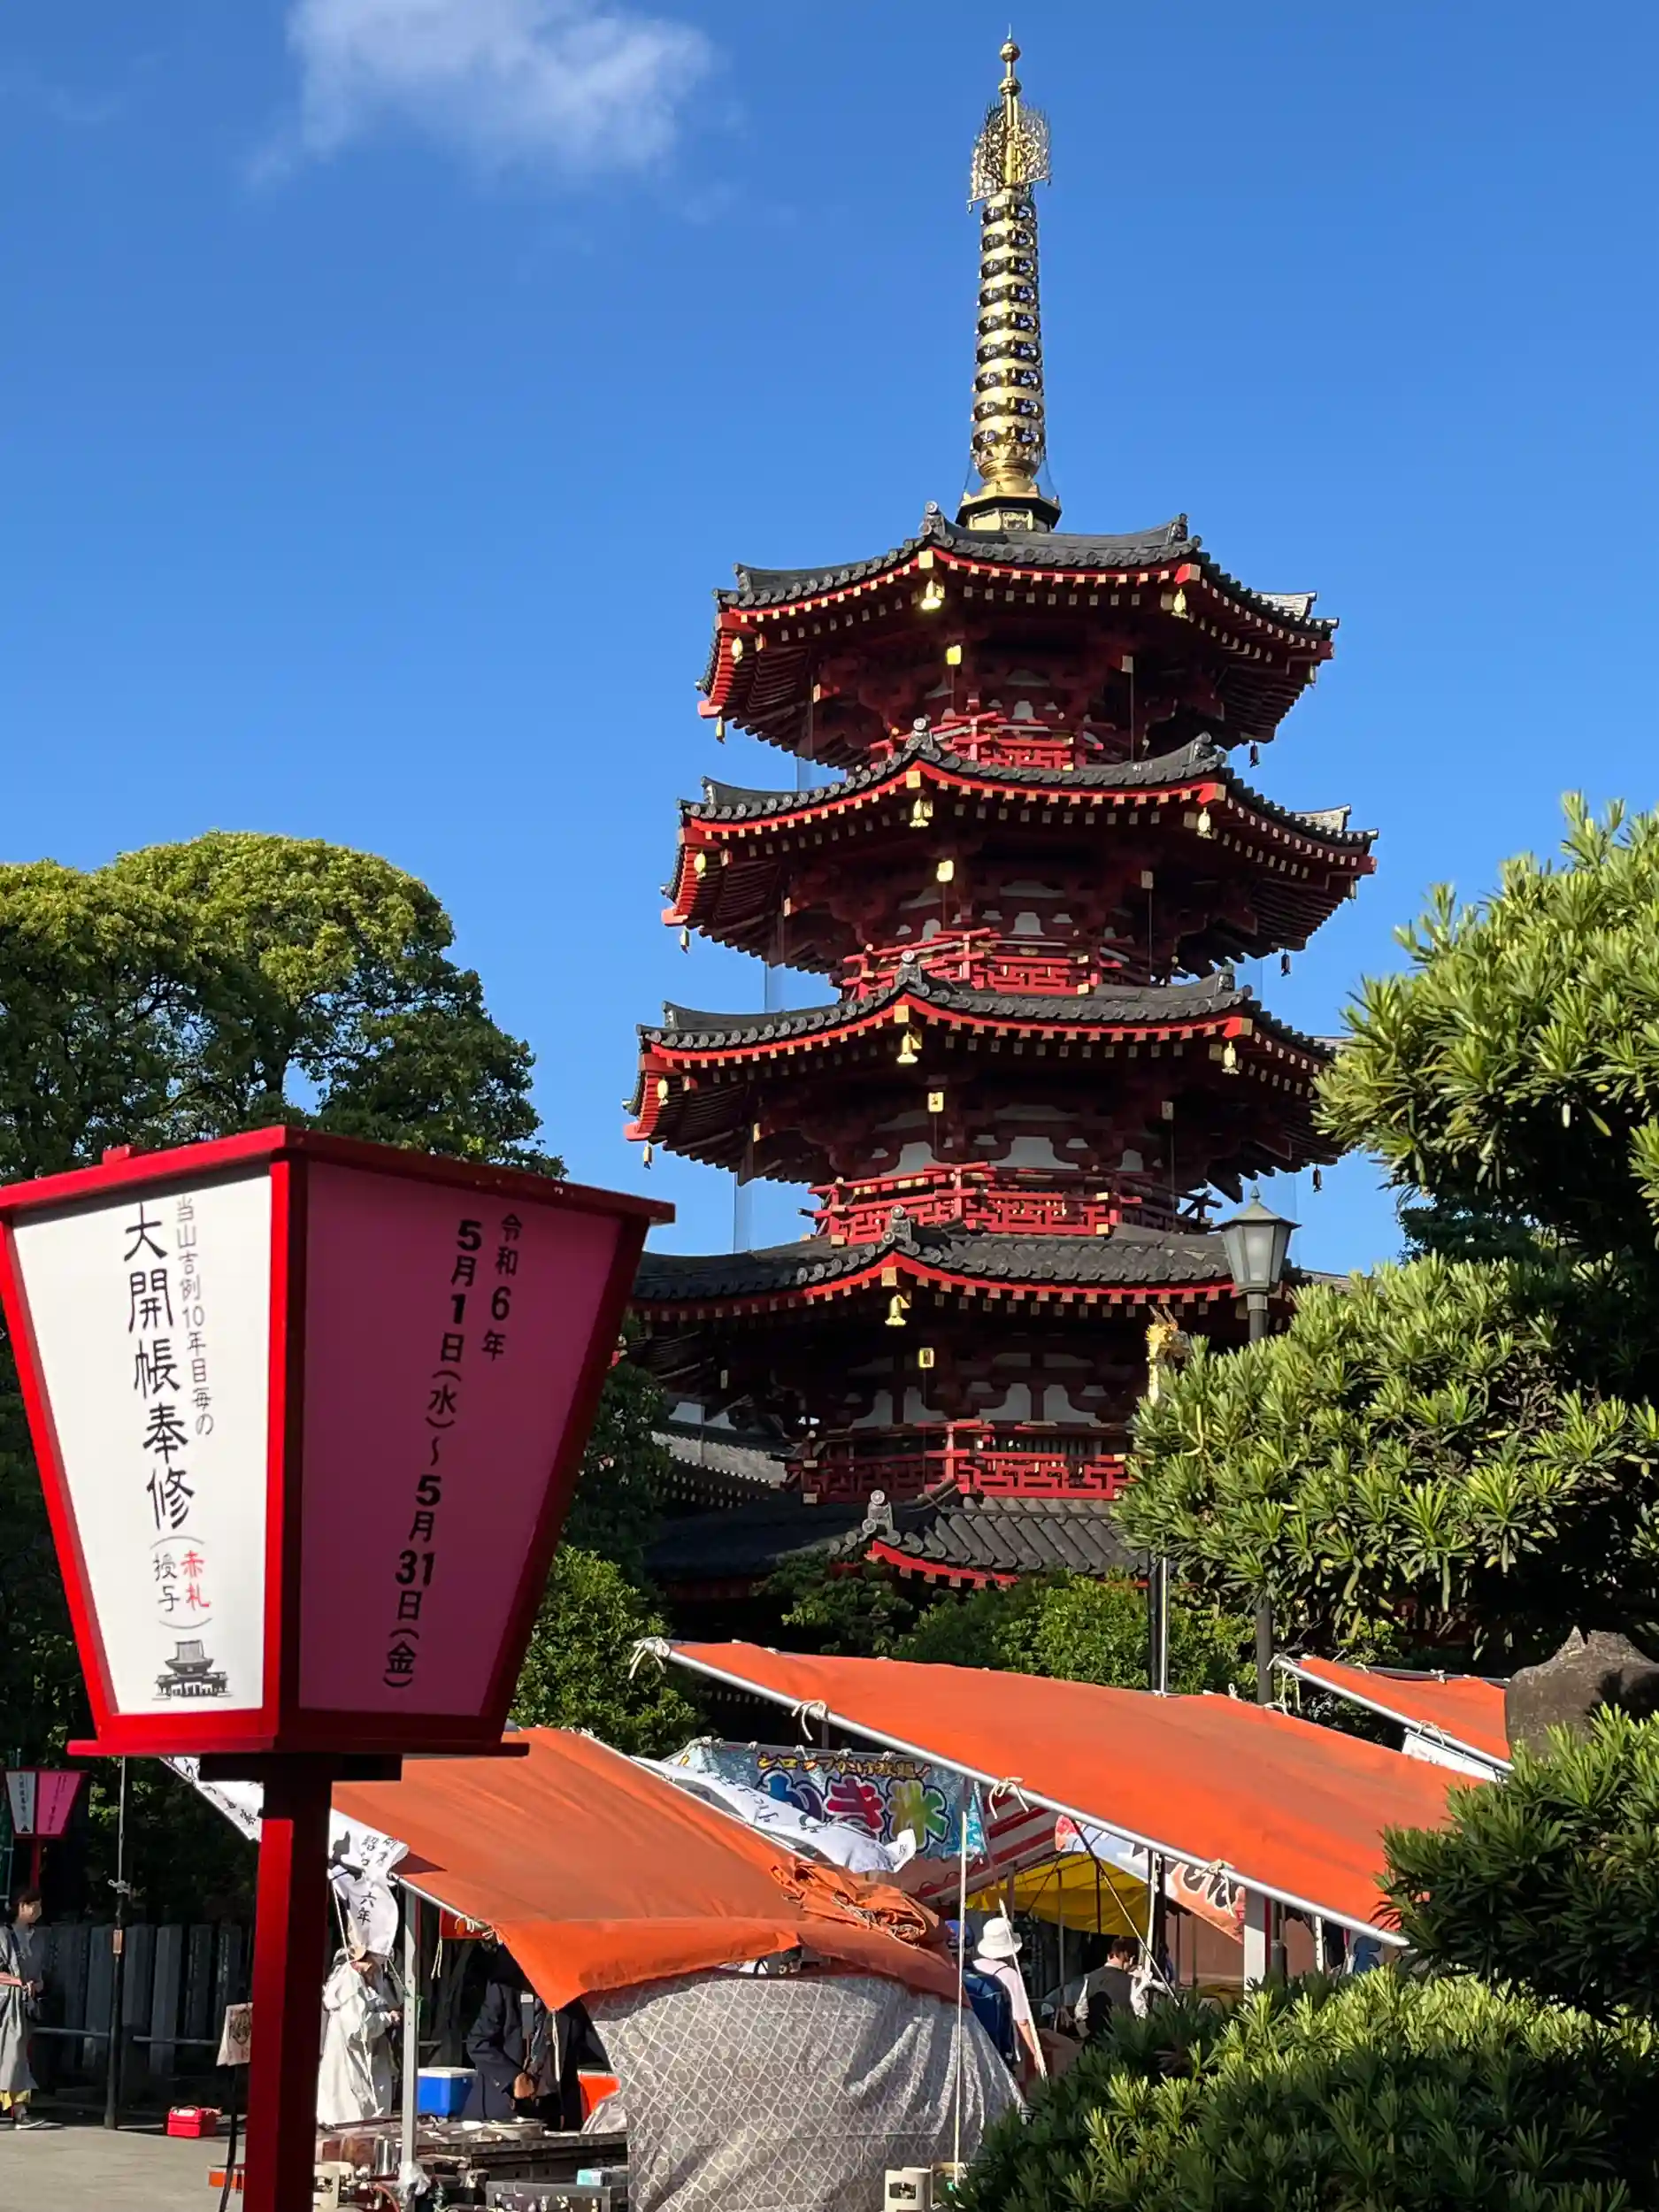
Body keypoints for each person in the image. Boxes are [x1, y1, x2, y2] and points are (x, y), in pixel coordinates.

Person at [317, 1935, 398, 2127]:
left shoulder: (371, 1978)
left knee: (369, 2120)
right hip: (351, 2065)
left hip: (372, 2060)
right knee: (353, 2119)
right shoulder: (350, 1983)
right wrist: (387, 2019)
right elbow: (357, 2030)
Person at [970, 1916, 1044, 2086]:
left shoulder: (973, 1967)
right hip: (1002, 2047)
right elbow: (1022, 2021)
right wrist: (1036, 2053)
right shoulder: (1010, 1975)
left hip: (975, 2043)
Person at [0, 1889, 46, 2130]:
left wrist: (36, 1985)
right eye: (33, 1905)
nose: (37, 1910)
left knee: (15, 2057)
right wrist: (18, 1982)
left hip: (22, 2006)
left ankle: (19, 2110)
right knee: (14, 2056)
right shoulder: (4, 1935)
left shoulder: (37, 1938)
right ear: (21, 1906)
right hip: (6, 2005)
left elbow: (39, 1974)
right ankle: (19, 2112)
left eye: (39, 1905)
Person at [1073, 1935, 1139, 2043]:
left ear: (1109, 1957)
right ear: (1129, 1958)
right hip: (1123, 2044)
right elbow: (1141, 2013)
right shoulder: (1131, 1981)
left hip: (1096, 2044)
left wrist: (1087, 2036)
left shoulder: (1091, 1977)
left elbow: (1080, 2013)